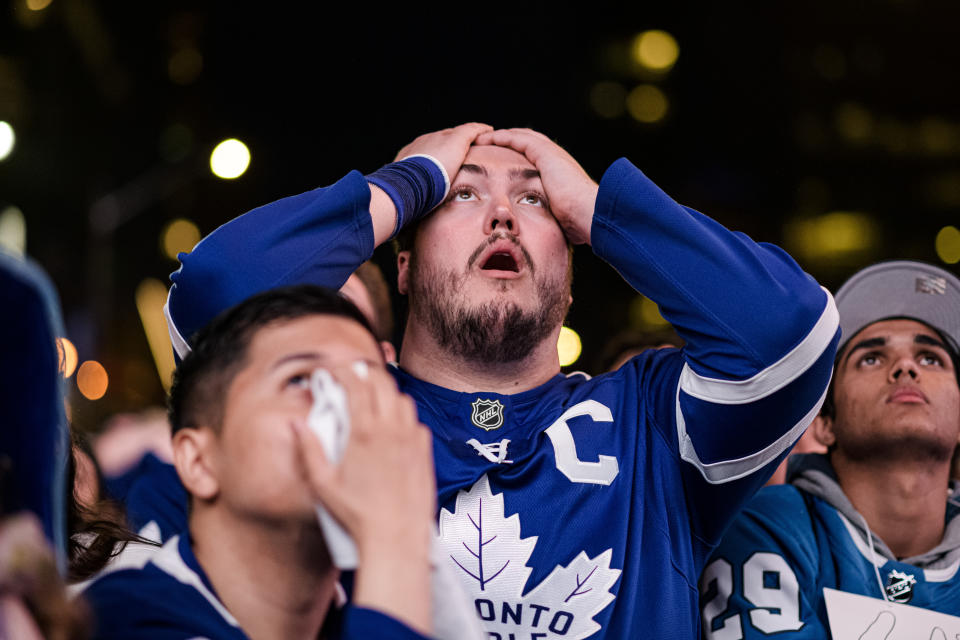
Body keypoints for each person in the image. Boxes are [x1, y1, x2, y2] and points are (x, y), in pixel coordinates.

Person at [165, 124, 840, 638]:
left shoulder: (656, 424)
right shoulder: (337, 406)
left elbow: (790, 332)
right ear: (402, 265)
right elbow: (215, 293)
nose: (502, 215)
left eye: (535, 200)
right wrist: (402, 185)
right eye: (461, 193)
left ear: (572, 274)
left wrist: (606, 211)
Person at [84, 286, 444, 639]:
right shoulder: (121, 617)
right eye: (300, 379)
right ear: (198, 461)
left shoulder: (378, 603)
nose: (345, 407)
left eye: (366, 379)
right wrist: (394, 538)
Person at [699, 260, 960, 639]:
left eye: (930, 358)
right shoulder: (764, 525)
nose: (905, 366)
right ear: (824, 422)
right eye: (871, 358)